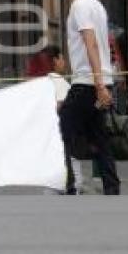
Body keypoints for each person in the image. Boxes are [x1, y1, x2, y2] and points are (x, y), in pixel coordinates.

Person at [56, 0, 120, 195]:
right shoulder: (96, 4)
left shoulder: (79, 7)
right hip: (100, 81)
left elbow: (91, 43)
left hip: (87, 83)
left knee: (60, 128)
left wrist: (99, 84)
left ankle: (70, 184)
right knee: (99, 135)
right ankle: (112, 187)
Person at [44, 45, 84, 193]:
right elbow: (60, 108)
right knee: (75, 180)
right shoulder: (60, 83)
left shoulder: (42, 82)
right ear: (55, 60)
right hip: (66, 140)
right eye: (62, 58)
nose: (64, 61)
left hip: (50, 143)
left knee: (51, 185)